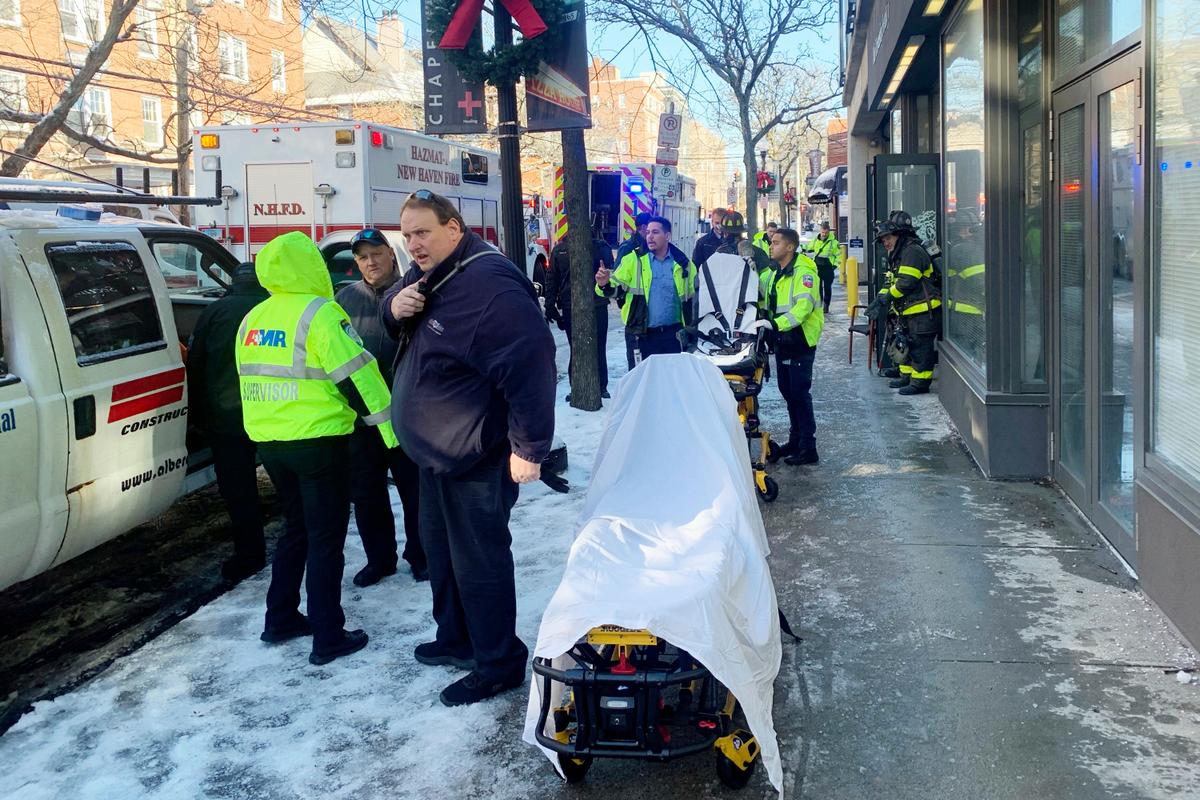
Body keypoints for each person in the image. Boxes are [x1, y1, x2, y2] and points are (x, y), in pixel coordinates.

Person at [381, 190, 556, 707]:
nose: (413, 244)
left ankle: (497, 662)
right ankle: (456, 638)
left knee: (479, 563)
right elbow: (396, 325)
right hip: (434, 456)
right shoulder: (430, 274)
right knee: (441, 551)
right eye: (407, 234)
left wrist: (530, 448)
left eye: (423, 233)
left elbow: (531, 367)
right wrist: (394, 309)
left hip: (476, 457)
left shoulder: (489, 285)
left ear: (454, 229)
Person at [236, 231, 398, 666]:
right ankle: (328, 634)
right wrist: (389, 433)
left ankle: (281, 616)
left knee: (296, 529)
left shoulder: (253, 318)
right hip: (319, 441)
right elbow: (359, 376)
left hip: (271, 443)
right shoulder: (321, 313)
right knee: (326, 538)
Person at [335, 228, 427, 587]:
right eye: (362, 257)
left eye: (376, 253)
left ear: (391, 254)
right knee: (367, 493)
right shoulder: (343, 300)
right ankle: (380, 559)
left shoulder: (413, 293)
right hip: (363, 421)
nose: (370, 262)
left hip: (406, 414)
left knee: (415, 492)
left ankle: (421, 556)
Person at [186, 262, 268, 583]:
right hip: (274, 412)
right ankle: (300, 547)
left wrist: (196, 417)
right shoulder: (273, 308)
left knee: (239, 489)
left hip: (227, 419)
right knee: (291, 487)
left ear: (232, 284)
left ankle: (249, 556)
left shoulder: (213, 312)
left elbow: (195, 364)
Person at [761, 228, 824, 465]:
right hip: (783, 341)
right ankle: (796, 441)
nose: (771, 246)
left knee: (799, 394)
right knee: (788, 393)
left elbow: (802, 309)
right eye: (771, 242)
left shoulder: (803, 272)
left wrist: (774, 324)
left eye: (776, 243)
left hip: (799, 340)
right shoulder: (775, 272)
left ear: (790, 247)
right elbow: (760, 290)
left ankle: (808, 448)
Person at [596, 215, 695, 360]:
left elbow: (695, 299)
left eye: (655, 232)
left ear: (667, 236)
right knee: (641, 381)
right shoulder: (632, 260)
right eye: (648, 232)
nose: (650, 237)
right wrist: (603, 283)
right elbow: (615, 289)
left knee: (670, 381)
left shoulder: (684, 264)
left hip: (673, 336)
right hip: (641, 335)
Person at [870, 214, 942, 395]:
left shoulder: (912, 252)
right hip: (909, 309)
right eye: (882, 240)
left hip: (923, 310)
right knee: (908, 344)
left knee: (920, 348)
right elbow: (890, 281)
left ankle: (920, 383)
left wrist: (887, 299)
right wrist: (879, 299)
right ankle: (907, 377)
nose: (885, 243)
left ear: (899, 235)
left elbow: (906, 282)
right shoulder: (898, 253)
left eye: (888, 238)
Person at [546, 228, 614, 399]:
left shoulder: (560, 250)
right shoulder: (602, 247)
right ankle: (601, 386)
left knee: (575, 348)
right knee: (599, 346)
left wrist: (550, 305)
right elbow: (610, 270)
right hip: (598, 304)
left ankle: (576, 385)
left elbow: (551, 279)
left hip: (571, 306)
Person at [616, 211, 653, 370]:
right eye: (650, 229)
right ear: (643, 228)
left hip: (640, 319)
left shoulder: (628, 247)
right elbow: (618, 283)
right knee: (639, 367)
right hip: (636, 319)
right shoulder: (631, 250)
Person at [806, 221, 841, 314]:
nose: (824, 234)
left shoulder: (834, 242)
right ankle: (820, 304)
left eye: (826, 233)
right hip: (817, 267)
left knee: (827, 287)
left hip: (828, 267)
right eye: (822, 232)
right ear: (820, 231)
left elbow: (839, 255)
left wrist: (834, 266)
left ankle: (826, 305)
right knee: (818, 287)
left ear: (829, 232)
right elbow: (809, 248)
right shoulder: (815, 240)